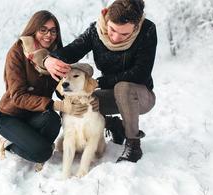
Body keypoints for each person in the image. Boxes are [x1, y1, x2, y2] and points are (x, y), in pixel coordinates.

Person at [43, 0, 157, 163]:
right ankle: (114, 125)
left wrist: (101, 81)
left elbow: (141, 73)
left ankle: (133, 144)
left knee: (122, 87)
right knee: (80, 101)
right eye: (112, 30)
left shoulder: (147, 30)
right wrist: (49, 60)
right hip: (111, 94)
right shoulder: (95, 31)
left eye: (125, 34)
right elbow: (71, 51)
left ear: (137, 25)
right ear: (105, 17)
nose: (116, 38)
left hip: (139, 96)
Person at [0, 10, 90, 165]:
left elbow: (61, 86)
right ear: (33, 30)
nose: (48, 35)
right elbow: (18, 97)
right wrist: (57, 105)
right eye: (43, 30)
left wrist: (76, 99)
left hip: (36, 114)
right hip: (10, 116)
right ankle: (8, 144)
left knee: (53, 119)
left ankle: (32, 143)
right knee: (43, 152)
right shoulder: (17, 52)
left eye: (53, 31)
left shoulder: (55, 54)